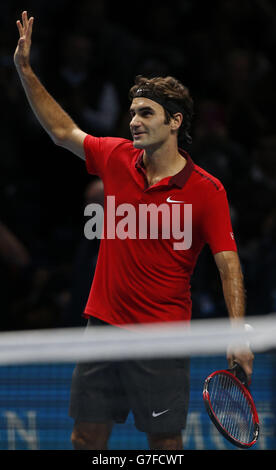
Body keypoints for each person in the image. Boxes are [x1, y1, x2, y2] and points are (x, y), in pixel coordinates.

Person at [14, 11, 254, 450]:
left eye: (146, 113)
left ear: (175, 122)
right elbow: (62, 129)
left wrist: (238, 335)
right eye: (132, 113)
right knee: (85, 439)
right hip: (102, 329)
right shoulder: (116, 158)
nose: (134, 121)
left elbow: (228, 264)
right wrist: (26, 71)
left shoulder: (206, 190)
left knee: (164, 443)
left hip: (160, 339)